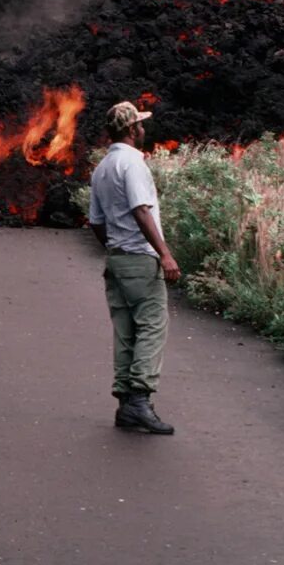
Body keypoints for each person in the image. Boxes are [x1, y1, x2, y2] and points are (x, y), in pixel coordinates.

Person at [88, 101, 182, 434]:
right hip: (141, 260)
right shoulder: (132, 163)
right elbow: (142, 210)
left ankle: (126, 405)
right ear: (131, 130)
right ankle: (140, 401)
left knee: (125, 332)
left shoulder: (101, 168)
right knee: (152, 327)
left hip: (116, 259)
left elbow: (96, 221)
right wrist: (165, 254)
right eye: (140, 125)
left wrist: (115, 247)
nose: (144, 129)